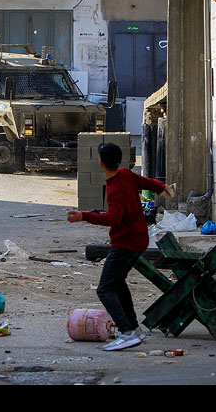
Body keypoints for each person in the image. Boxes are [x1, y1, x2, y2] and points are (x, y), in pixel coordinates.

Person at [67, 142, 175, 351]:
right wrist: (163, 188)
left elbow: (113, 218)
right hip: (139, 239)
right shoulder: (126, 174)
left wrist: (84, 216)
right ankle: (134, 329)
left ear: (100, 162)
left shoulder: (115, 188)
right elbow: (147, 183)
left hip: (125, 243)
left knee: (105, 289)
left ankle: (126, 333)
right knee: (117, 283)